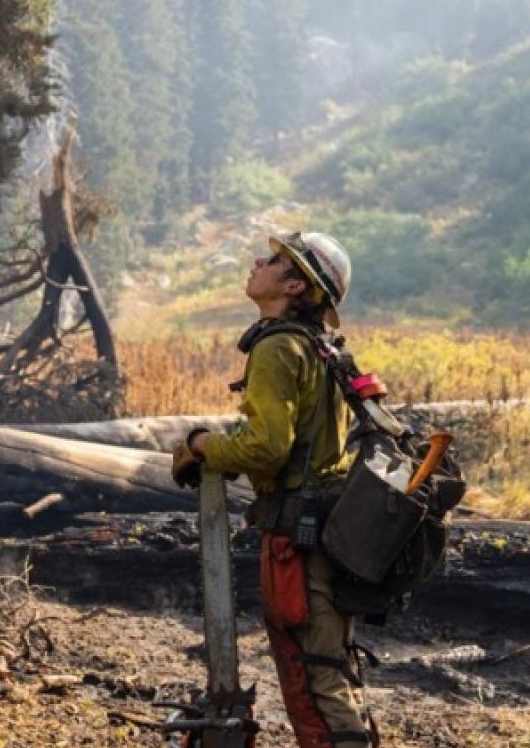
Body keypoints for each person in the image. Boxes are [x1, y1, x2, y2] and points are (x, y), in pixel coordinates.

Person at [171, 231, 377, 747]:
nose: (258, 262)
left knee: (314, 678)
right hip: (326, 530)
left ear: (292, 285)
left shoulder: (280, 347)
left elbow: (266, 448)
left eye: (275, 260)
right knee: (330, 666)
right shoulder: (317, 346)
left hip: (298, 541)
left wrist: (201, 447)